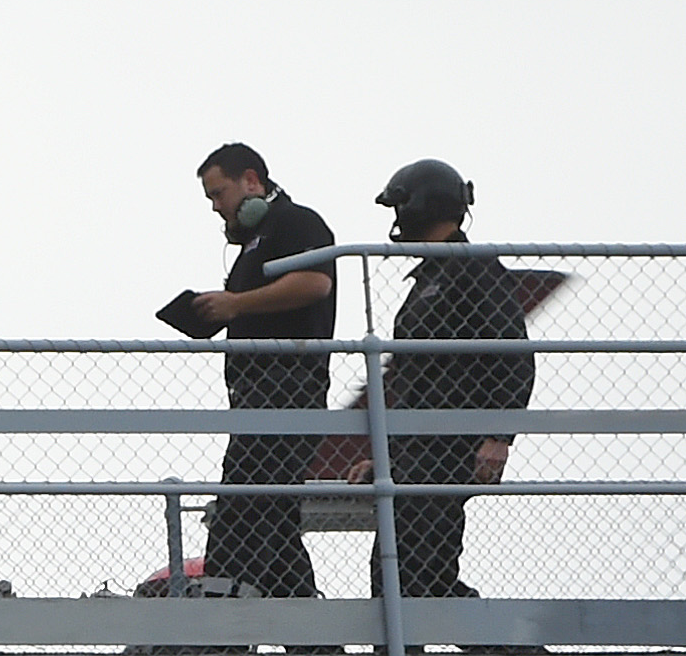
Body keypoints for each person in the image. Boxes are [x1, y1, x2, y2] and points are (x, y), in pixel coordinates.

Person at [347, 159, 533, 598]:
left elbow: (513, 354)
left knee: (415, 570)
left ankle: (493, 648)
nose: (395, 222)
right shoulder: (433, 277)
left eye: (399, 209)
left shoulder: (473, 269)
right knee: (403, 570)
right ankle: (423, 654)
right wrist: (389, 458)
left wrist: (498, 435)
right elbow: (415, 381)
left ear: (420, 207)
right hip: (418, 448)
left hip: (447, 445)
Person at [187, 144, 337, 599]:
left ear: (252, 181)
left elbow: (315, 281)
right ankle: (309, 637)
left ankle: (222, 620)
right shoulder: (251, 248)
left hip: (288, 386)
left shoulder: (296, 222)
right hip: (256, 391)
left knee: (249, 505)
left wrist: (235, 303)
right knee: (270, 513)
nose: (216, 206)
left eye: (219, 193)